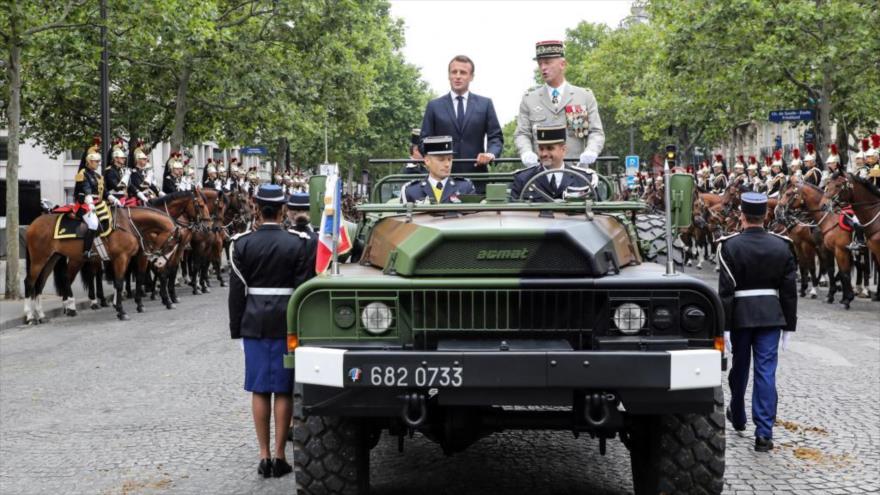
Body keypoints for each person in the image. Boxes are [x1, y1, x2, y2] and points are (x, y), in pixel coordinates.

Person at [228, 184, 315, 478]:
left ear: (256, 207)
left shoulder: (240, 243)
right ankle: (280, 455)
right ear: (282, 210)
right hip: (287, 322)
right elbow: (303, 289)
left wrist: (236, 330)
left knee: (259, 389)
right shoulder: (299, 243)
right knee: (283, 388)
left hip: (253, 321)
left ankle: (263, 455)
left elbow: (237, 292)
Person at [718, 192, 797, 453]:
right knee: (766, 372)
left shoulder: (729, 246)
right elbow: (788, 291)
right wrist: (789, 326)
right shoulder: (782, 245)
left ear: (742, 216)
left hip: (740, 316)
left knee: (739, 369)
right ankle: (764, 433)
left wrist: (725, 326)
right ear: (766, 216)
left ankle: (738, 416)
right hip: (771, 316)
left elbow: (726, 292)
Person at [515, 40, 604, 171]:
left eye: (548, 62)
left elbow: (596, 132)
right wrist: (526, 152)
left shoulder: (584, 96)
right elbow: (522, 133)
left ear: (562, 64)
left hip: (576, 172)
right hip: (541, 174)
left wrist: (591, 150)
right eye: (540, 64)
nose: (543, 68)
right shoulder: (529, 99)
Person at [420, 55, 503, 182]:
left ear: (471, 77)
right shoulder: (434, 106)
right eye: (454, 72)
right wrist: (438, 159)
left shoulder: (485, 104)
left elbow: (496, 137)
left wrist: (490, 154)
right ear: (449, 76)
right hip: (442, 180)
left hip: (477, 178)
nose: (458, 76)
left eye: (463, 72)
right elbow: (423, 142)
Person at [510, 125, 597, 201]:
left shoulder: (584, 179)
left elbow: (599, 213)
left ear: (563, 150)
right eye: (541, 149)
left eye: (550, 148)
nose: (544, 154)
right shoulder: (523, 179)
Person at [401, 136, 475, 203]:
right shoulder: (411, 191)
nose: (447, 164)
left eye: (449, 159)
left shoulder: (465, 188)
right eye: (441, 160)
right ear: (427, 161)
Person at [73, 143, 110, 259]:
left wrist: (112, 198)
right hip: (85, 205)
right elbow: (86, 190)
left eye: (98, 161)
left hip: (98, 204)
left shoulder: (98, 176)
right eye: (96, 161)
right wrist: (90, 204)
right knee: (93, 223)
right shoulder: (83, 173)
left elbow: (103, 191)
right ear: (89, 161)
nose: (98, 164)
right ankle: (86, 251)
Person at [104, 140, 129, 206]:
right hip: (114, 199)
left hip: (122, 197)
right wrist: (126, 177)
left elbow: (128, 185)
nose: (124, 159)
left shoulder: (120, 170)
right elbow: (117, 187)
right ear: (116, 159)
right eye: (122, 158)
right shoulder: (110, 170)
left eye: (124, 158)